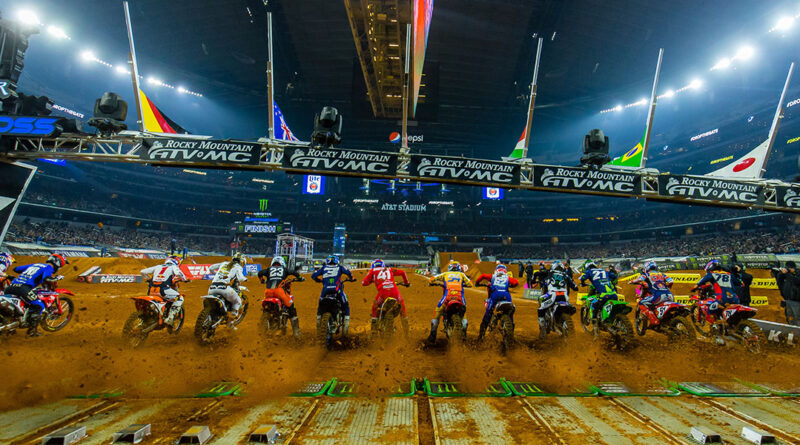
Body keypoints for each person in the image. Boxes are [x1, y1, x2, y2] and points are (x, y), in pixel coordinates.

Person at [5, 253, 68, 337]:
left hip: (10, 287)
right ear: (58, 263)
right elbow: (46, 278)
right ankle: (32, 331)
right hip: (23, 288)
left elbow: (16, 269)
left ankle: (12, 327)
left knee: (21, 305)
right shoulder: (49, 267)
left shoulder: (35, 265)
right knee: (39, 305)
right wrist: (56, 278)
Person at [693, 260, 742, 344]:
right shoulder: (729, 274)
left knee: (709, 310)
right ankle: (729, 328)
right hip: (735, 299)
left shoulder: (711, 274)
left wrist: (695, 287)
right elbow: (740, 283)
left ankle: (716, 333)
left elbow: (701, 282)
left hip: (722, 299)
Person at [362, 259, 410, 338]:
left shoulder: (373, 270)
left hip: (383, 293)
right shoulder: (389, 269)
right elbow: (403, 272)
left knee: (375, 307)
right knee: (402, 307)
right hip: (395, 292)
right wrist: (406, 283)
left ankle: (373, 332)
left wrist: (373, 280)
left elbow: (364, 283)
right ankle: (407, 333)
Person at [258, 256, 304, 338]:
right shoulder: (284, 269)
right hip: (279, 292)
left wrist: (261, 280)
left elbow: (260, 273)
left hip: (268, 292)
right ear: (282, 263)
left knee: (265, 308)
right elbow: (294, 273)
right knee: (291, 307)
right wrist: (300, 278)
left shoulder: (269, 269)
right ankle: (296, 332)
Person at [427, 261, 472, 343]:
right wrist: (462, 284)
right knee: (464, 312)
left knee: (437, 311)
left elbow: (432, 279)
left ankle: (432, 335)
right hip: (459, 298)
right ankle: (464, 333)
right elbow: (470, 284)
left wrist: (434, 283)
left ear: (450, 267)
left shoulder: (445, 274)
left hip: (447, 297)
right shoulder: (462, 275)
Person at [311, 255, 353, 336]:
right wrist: (351, 278)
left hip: (325, 291)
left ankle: (318, 326)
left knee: (320, 307)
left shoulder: (323, 268)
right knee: (346, 305)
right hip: (337, 290)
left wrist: (318, 280)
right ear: (337, 261)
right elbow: (348, 272)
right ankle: (345, 329)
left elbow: (313, 276)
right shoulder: (340, 267)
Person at [475, 264, 519, 341]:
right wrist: (511, 286)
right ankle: (511, 333)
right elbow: (516, 282)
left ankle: (480, 336)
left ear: (496, 270)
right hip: (506, 295)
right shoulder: (507, 277)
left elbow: (483, 276)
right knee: (510, 312)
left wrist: (477, 282)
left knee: (487, 314)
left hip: (495, 295)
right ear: (505, 271)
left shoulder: (493, 276)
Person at [140, 256, 187, 326]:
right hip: (163, 290)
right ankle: (170, 318)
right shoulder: (173, 267)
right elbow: (178, 274)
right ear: (177, 262)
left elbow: (142, 271)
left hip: (151, 290)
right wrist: (184, 279)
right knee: (180, 298)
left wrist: (149, 279)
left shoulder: (158, 266)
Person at [538, 260, 578, 338]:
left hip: (553, 295)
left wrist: (543, 283)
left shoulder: (550, 273)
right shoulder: (565, 275)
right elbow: (575, 287)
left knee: (540, 307)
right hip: (564, 296)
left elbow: (544, 282)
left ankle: (542, 329)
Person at [207, 253, 248, 319]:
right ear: (242, 261)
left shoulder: (224, 263)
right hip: (224, 288)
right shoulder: (238, 267)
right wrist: (246, 279)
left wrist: (216, 273)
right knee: (237, 301)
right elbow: (240, 278)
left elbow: (211, 268)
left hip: (211, 288)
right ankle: (232, 317)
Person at [775, 261, 800, 326]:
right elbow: (779, 283)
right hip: (789, 300)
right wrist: (781, 273)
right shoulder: (786, 276)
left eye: (789, 268)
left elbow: (796, 282)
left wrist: (787, 274)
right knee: (789, 317)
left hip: (797, 301)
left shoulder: (797, 274)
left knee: (797, 318)